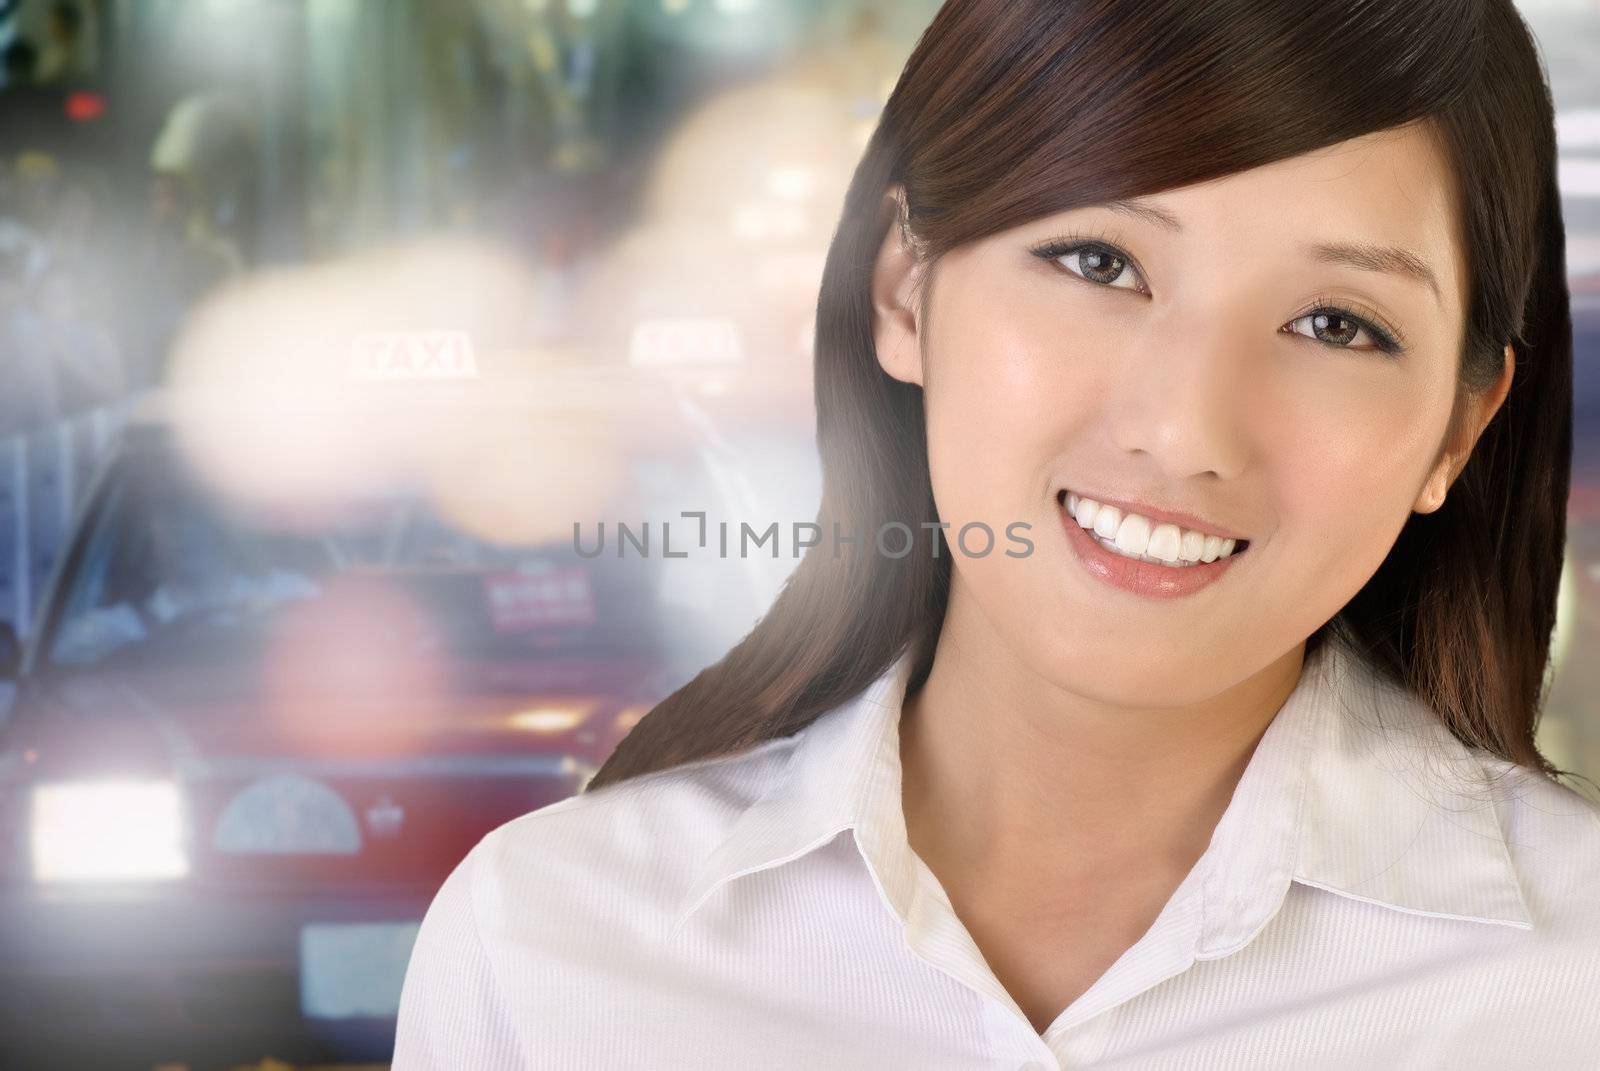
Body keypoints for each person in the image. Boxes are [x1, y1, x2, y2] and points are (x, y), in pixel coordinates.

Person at [394, 0, 1600, 1067]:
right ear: (903, 289)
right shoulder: (548, 946)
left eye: (1337, 325)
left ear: (1458, 426)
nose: (1184, 431)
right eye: (1098, 260)